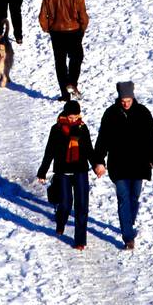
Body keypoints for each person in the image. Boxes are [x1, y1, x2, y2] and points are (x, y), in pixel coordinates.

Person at [94, 82, 153, 251]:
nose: (126, 103)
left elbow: (152, 136)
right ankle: (128, 237)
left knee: (134, 197)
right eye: (123, 100)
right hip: (119, 165)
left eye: (128, 100)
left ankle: (128, 223)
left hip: (139, 164)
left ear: (133, 97)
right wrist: (99, 160)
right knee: (123, 198)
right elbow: (102, 139)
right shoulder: (110, 114)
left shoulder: (143, 113)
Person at [37, 101, 96, 250]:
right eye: (70, 117)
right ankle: (60, 221)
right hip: (62, 171)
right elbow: (49, 151)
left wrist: (96, 165)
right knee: (65, 204)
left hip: (80, 170)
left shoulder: (83, 128)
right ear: (65, 115)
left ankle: (80, 240)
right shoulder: (56, 129)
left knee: (82, 205)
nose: (73, 119)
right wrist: (43, 171)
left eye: (76, 116)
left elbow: (89, 149)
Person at [39, 0, 89, 100]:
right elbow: (83, 15)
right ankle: (72, 83)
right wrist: (82, 29)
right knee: (76, 58)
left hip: (56, 32)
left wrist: (48, 29)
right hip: (74, 31)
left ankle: (65, 94)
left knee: (60, 62)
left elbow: (42, 16)